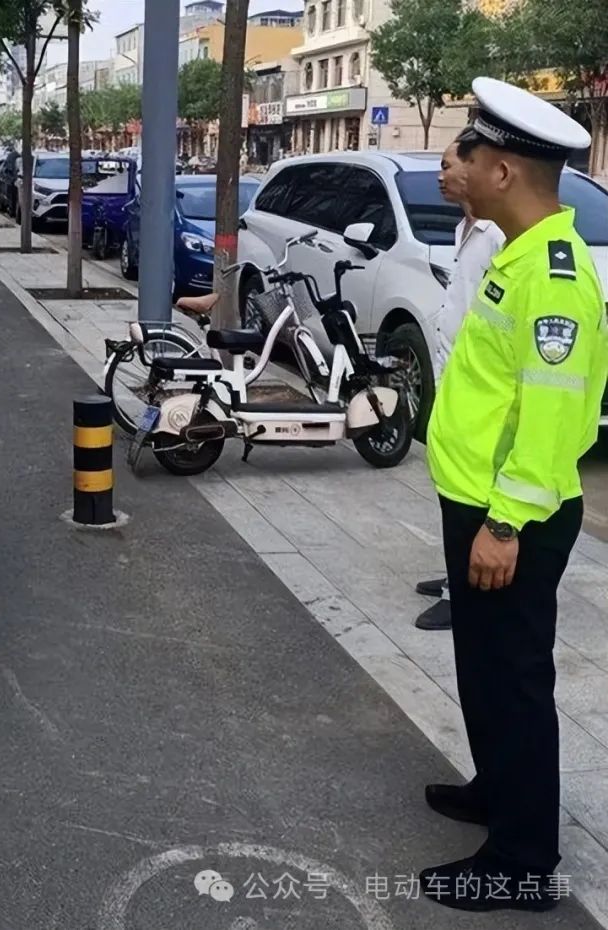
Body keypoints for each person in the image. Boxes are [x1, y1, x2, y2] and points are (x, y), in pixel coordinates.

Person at [420, 77, 608, 912]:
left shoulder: (554, 278)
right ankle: (497, 790)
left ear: (502, 172)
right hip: (479, 500)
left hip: (512, 514)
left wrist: (504, 523)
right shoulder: (517, 252)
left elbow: (552, 418)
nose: (453, 162)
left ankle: (524, 860)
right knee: (483, 668)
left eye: (470, 152)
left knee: (515, 678)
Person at [413, 142, 505, 631]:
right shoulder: (462, 227)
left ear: (478, 168)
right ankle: (455, 570)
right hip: (454, 374)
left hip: (480, 387)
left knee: (475, 491)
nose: (441, 176)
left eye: (448, 166)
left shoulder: (497, 234)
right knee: (451, 488)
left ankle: (464, 590)